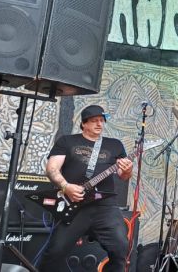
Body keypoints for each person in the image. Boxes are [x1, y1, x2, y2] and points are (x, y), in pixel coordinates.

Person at [37, 105, 133, 272]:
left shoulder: (115, 145)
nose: (99, 124)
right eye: (94, 121)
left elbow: (123, 176)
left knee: (121, 248)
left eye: (102, 120)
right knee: (55, 251)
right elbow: (52, 169)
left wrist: (128, 169)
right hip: (74, 205)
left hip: (105, 206)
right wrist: (66, 186)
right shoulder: (67, 141)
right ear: (84, 123)